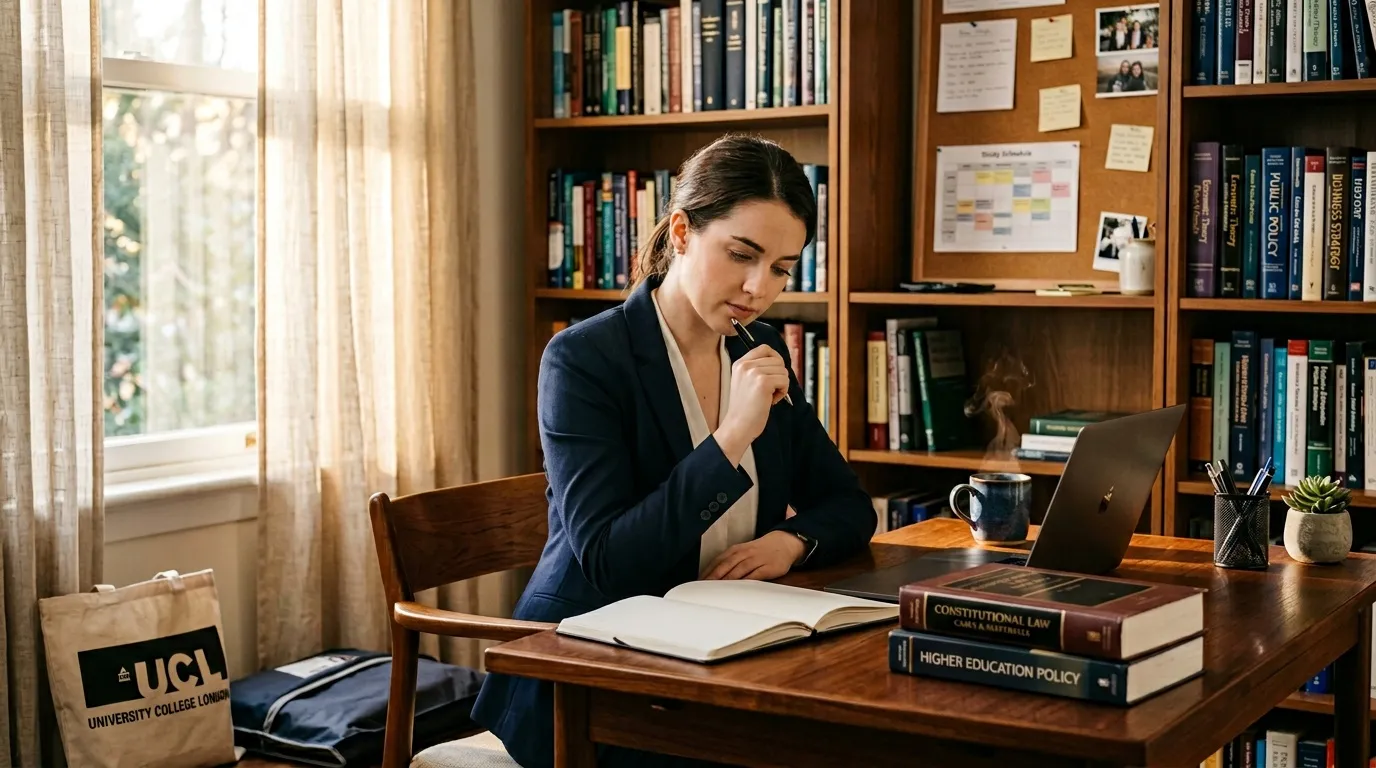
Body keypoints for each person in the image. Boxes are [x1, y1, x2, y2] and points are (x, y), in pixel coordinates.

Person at [469, 134, 877, 767]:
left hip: (725, 654)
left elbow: (848, 504)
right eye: (741, 254)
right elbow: (611, 559)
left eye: (780, 267)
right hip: (594, 672)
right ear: (682, 232)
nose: (757, 286)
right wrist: (732, 436)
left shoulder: (759, 347)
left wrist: (790, 543)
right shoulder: (583, 359)